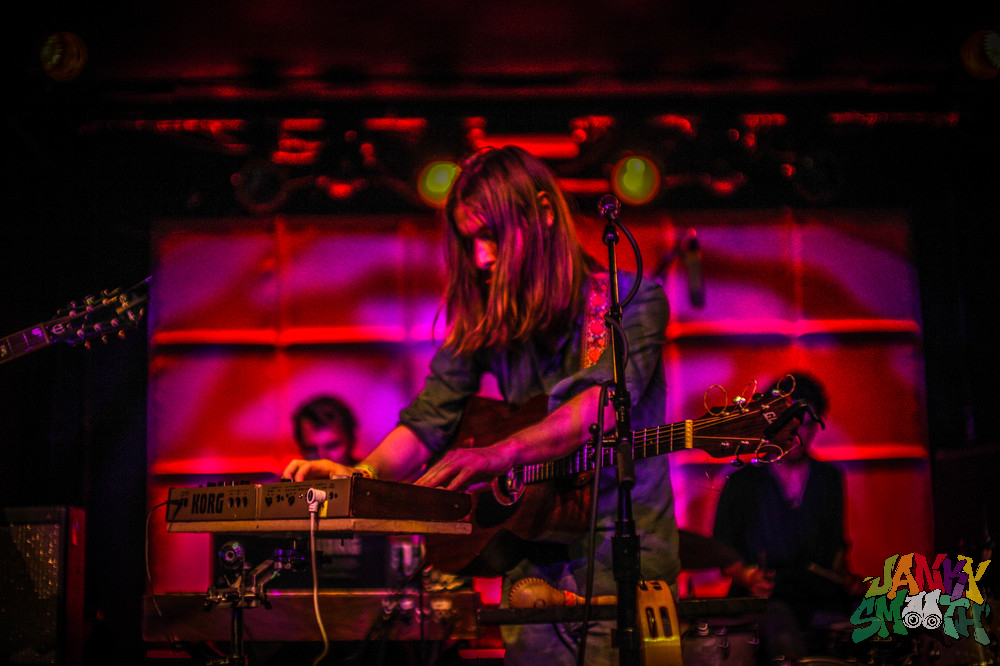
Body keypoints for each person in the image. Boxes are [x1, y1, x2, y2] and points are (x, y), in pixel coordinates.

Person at [283, 145, 679, 665]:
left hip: (622, 566)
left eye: (491, 236)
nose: (481, 259)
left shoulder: (629, 301)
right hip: (527, 567)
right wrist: (358, 480)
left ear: (540, 214)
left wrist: (497, 455)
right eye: (470, 242)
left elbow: (595, 410)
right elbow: (429, 419)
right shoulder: (492, 317)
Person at [712, 371, 863, 663]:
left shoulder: (829, 479)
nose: (796, 434)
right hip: (764, 600)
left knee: (883, 617)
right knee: (781, 627)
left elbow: (835, 550)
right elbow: (722, 552)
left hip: (816, 593)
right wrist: (749, 576)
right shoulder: (742, 483)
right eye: (787, 424)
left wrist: (846, 577)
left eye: (806, 425)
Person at [292, 394, 360, 465]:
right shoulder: (290, 475)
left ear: (351, 440)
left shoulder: (368, 474)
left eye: (332, 446)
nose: (323, 458)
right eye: (312, 449)